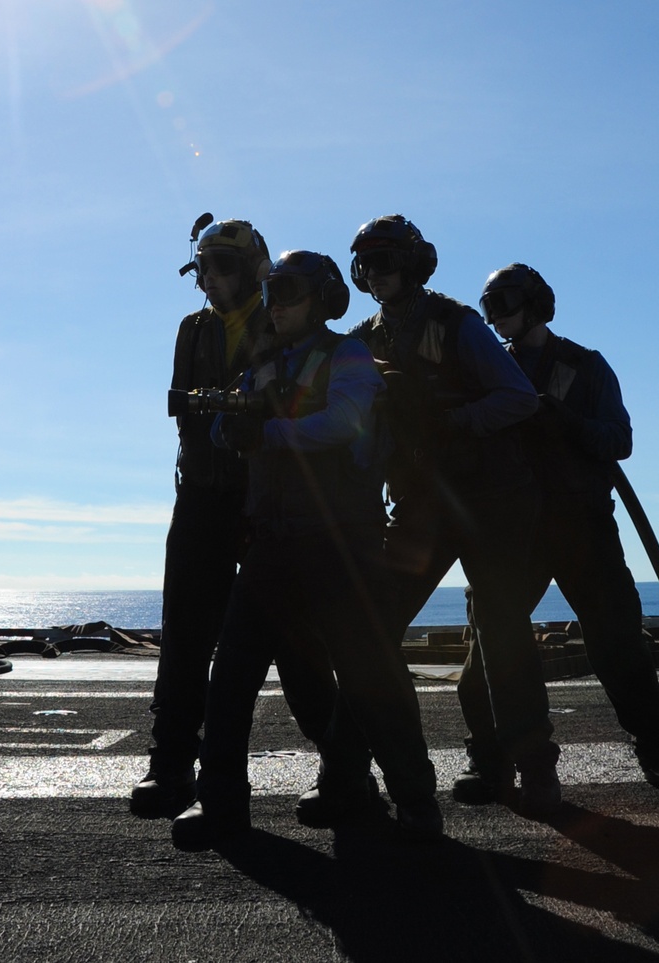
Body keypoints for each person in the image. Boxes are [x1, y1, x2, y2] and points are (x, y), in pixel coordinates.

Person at [171, 250, 443, 850]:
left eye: (289, 293)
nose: (277, 304)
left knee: (374, 679)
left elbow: (345, 423)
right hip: (272, 542)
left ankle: (415, 799)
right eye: (272, 294)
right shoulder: (266, 361)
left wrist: (265, 430)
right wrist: (231, 423)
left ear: (321, 298)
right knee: (232, 679)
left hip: (341, 544)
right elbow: (225, 423)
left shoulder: (346, 356)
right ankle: (219, 803)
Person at [311, 215, 560, 819]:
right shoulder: (361, 339)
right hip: (422, 502)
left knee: (502, 637)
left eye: (387, 260)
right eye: (367, 263)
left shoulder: (457, 324)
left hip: (489, 500)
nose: (377, 272)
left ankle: (535, 775)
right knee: (371, 632)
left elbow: (518, 397)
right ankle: (344, 776)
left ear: (415, 263)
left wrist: (455, 422)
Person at [466, 263, 659, 801]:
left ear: (537, 304)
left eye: (504, 302)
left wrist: (566, 424)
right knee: (489, 651)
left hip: (581, 525)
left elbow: (618, 440)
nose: (496, 316)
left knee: (619, 650)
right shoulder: (485, 371)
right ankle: (494, 762)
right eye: (489, 306)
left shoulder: (585, 366)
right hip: (512, 530)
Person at [130, 216, 280, 818]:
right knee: (185, 635)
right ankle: (169, 766)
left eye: (223, 269)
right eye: (204, 271)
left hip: (268, 498)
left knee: (296, 646)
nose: (211, 281)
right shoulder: (191, 330)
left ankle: (345, 771)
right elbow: (187, 414)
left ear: (252, 270)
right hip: (201, 496)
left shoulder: (284, 322)